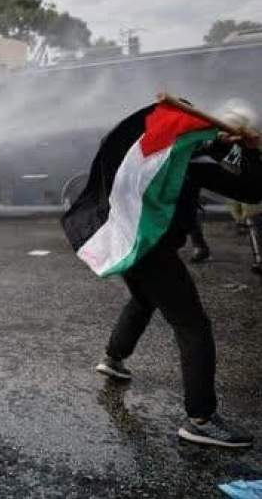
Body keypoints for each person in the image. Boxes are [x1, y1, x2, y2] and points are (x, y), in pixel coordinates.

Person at [95, 115, 262, 448]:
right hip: (154, 252)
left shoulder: (145, 152)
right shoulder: (188, 159)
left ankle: (113, 359)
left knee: (144, 300)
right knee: (193, 325)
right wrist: (248, 151)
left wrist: (222, 147)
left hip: (128, 243)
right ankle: (200, 419)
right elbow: (253, 189)